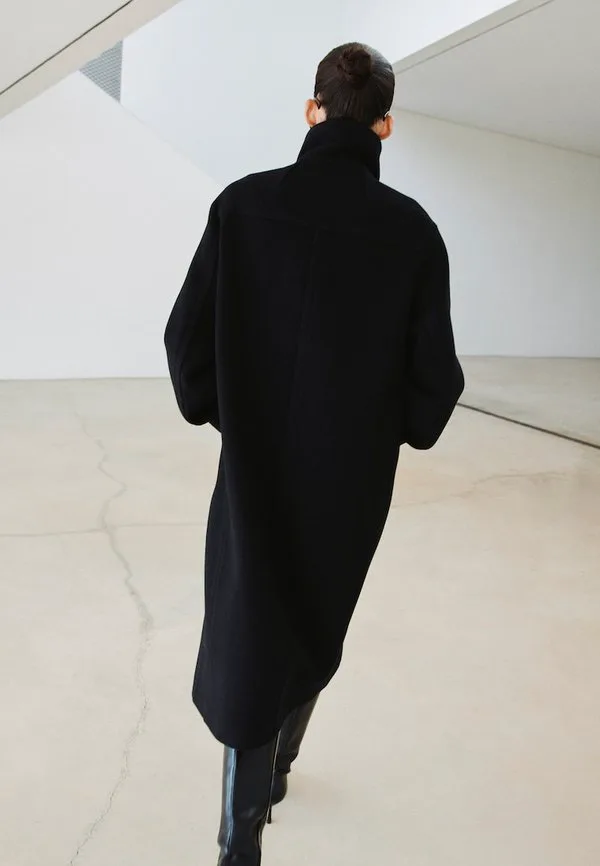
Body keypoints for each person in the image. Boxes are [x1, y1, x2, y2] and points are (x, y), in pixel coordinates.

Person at [165, 41, 464, 865]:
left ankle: (240, 831)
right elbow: (434, 386)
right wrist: (373, 428)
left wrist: (231, 415)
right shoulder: (412, 234)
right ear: (385, 125)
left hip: (253, 468)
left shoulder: (242, 207)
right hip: (349, 481)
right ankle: (277, 773)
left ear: (312, 109)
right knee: (314, 618)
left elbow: (186, 345)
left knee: (249, 624)